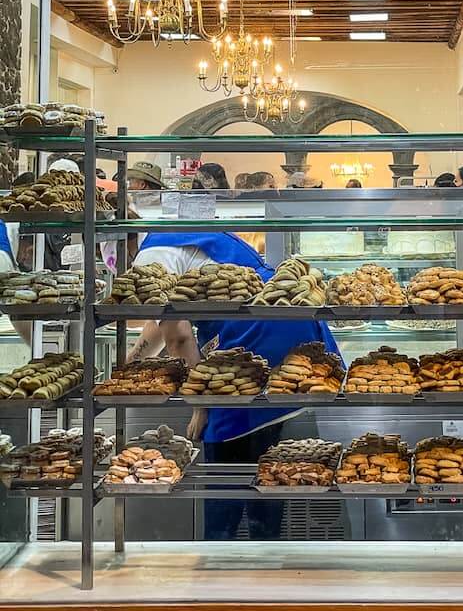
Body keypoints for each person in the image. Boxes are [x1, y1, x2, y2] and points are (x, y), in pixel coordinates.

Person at [125, 230, 339, 541]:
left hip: (257, 339)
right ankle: (266, 553)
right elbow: (163, 322)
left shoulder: (151, 257)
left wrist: (201, 406)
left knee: (227, 470)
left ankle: (221, 557)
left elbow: (179, 336)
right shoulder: (175, 239)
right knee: (268, 468)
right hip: (295, 337)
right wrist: (130, 365)